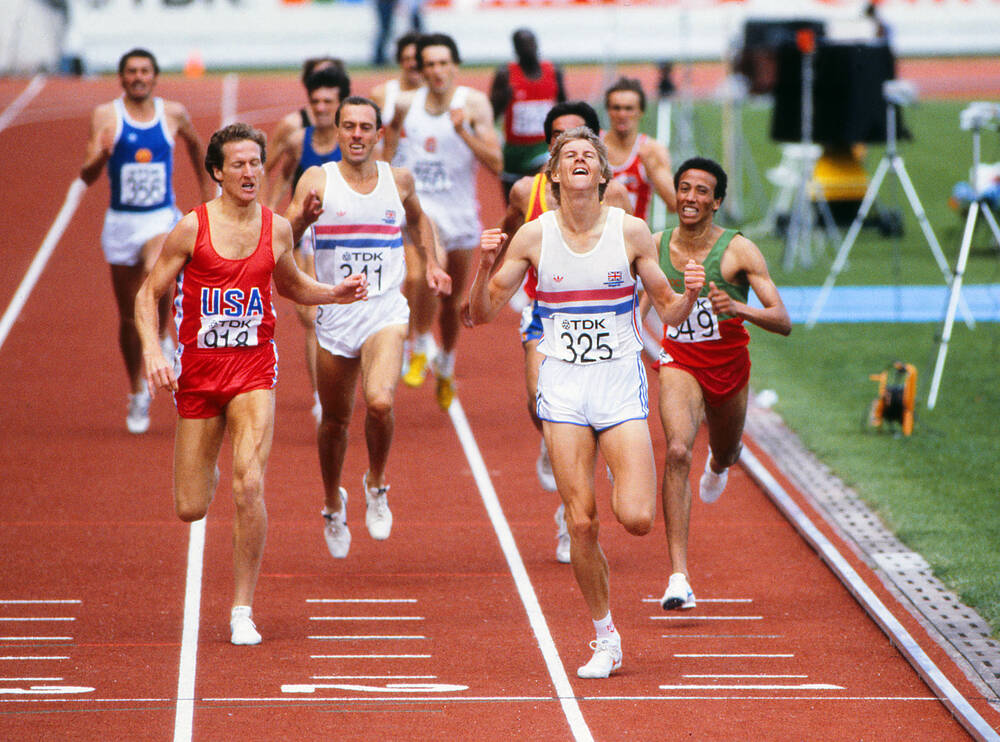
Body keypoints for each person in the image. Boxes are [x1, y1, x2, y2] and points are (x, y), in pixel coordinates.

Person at [468, 127, 704, 678]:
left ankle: (620, 485)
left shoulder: (631, 231)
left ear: (603, 175)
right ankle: (605, 637)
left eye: (588, 156)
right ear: (553, 174)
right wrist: (483, 267)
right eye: (567, 155)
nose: (578, 160)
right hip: (564, 387)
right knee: (581, 523)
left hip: (619, 384)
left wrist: (689, 293)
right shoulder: (531, 236)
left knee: (638, 518)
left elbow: (667, 313)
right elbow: (477, 314)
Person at [134, 123, 367, 645]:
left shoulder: (276, 228)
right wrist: (153, 349)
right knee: (191, 505)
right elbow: (148, 294)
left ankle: (242, 608)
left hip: (253, 372)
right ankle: (211, 464)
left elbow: (289, 284)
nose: (249, 172)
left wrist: (333, 292)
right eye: (238, 164)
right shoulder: (191, 229)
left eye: (256, 163)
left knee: (250, 484)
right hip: (197, 376)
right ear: (217, 172)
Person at [284, 96, 451, 558]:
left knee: (378, 402)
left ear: (380, 134)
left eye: (366, 127)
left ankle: (376, 483)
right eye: (349, 126)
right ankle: (332, 500)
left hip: (383, 310)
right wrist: (302, 220)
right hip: (336, 314)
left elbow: (420, 222)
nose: (357, 135)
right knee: (335, 420)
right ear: (337, 132)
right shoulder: (317, 179)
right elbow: (286, 237)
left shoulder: (398, 181)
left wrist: (432, 264)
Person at [494, 101, 633, 564]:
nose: (569, 148)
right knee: (539, 401)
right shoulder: (524, 193)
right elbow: (509, 233)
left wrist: (634, 317)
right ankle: (553, 441)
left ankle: (569, 512)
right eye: (558, 138)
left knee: (587, 420)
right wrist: (487, 266)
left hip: (605, 321)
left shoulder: (616, 201)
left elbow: (639, 266)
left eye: (578, 138)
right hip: (546, 312)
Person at [654, 157, 790, 612]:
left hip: (729, 366)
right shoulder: (653, 247)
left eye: (701, 191)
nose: (690, 198)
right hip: (679, 362)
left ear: (717, 201)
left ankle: (720, 462)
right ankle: (678, 576)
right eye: (684, 189)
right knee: (676, 450)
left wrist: (739, 308)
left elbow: (782, 319)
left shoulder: (738, 251)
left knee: (727, 450)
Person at [79, 47, 216, 435]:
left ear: (155, 77)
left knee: (156, 274)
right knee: (126, 317)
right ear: (122, 78)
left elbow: (196, 145)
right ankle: (137, 389)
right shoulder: (106, 116)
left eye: (145, 71)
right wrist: (99, 157)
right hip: (122, 223)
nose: (139, 77)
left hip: (160, 217)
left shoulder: (172, 113)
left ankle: (162, 337)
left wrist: (208, 198)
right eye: (132, 72)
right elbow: (87, 176)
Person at [387, 33, 502, 410]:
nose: (436, 71)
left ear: (454, 66)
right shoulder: (406, 104)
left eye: (442, 63)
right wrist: (389, 179)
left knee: (453, 304)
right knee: (418, 276)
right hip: (422, 208)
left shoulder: (474, 104)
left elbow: (497, 163)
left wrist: (462, 131)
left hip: (461, 214)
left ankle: (447, 362)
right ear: (420, 69)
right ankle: (419, 343)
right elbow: (388, 142)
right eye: (429, 64)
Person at [266, 63, 352, 421]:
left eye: (328, 101)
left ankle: (345, 373)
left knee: (347, 314)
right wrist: (270, 224)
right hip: (309, 240)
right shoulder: (297, 142)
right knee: (311, 316)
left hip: (349, 239)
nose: (320, 108)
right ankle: (321, 394)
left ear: (340, 103)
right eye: (315, 101)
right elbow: (279, 185)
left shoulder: (353, 142)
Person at [489, 28, 566, 200]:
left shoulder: (553, 71)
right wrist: (502, 98)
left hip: (542, 147)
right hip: (513, 151)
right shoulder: (505, 74)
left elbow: (564, 107)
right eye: (522, 45)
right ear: (515, 50)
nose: (528, 48)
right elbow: (491, 114)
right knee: (513, 203)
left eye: (531, 43)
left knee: (538, 192)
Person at [602, 76, 677, 221]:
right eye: (616, 108)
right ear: (608, 111)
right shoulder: (592, 147)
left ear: (640, 112)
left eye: (629, 109)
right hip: (598, 238)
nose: (622, 114)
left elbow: (674, 203)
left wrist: (652, 169)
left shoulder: (652, 150)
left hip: (634, 239)